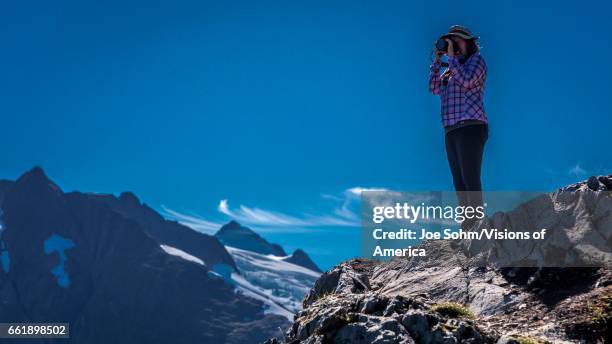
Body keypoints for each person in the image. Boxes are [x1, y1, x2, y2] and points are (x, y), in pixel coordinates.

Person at [429, 25, 488, 214]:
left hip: (471, 125)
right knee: (459, 181)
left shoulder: (477, 61)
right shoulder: (449, 71)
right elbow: (433, 89)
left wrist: (452, 59)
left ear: (469, 43)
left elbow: (468, 81)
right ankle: (467, 222)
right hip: (451, 130)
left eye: (457, 40)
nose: (453, 44)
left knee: (470, 177)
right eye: (450, 41)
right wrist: (438, 62)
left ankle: (477, 221)